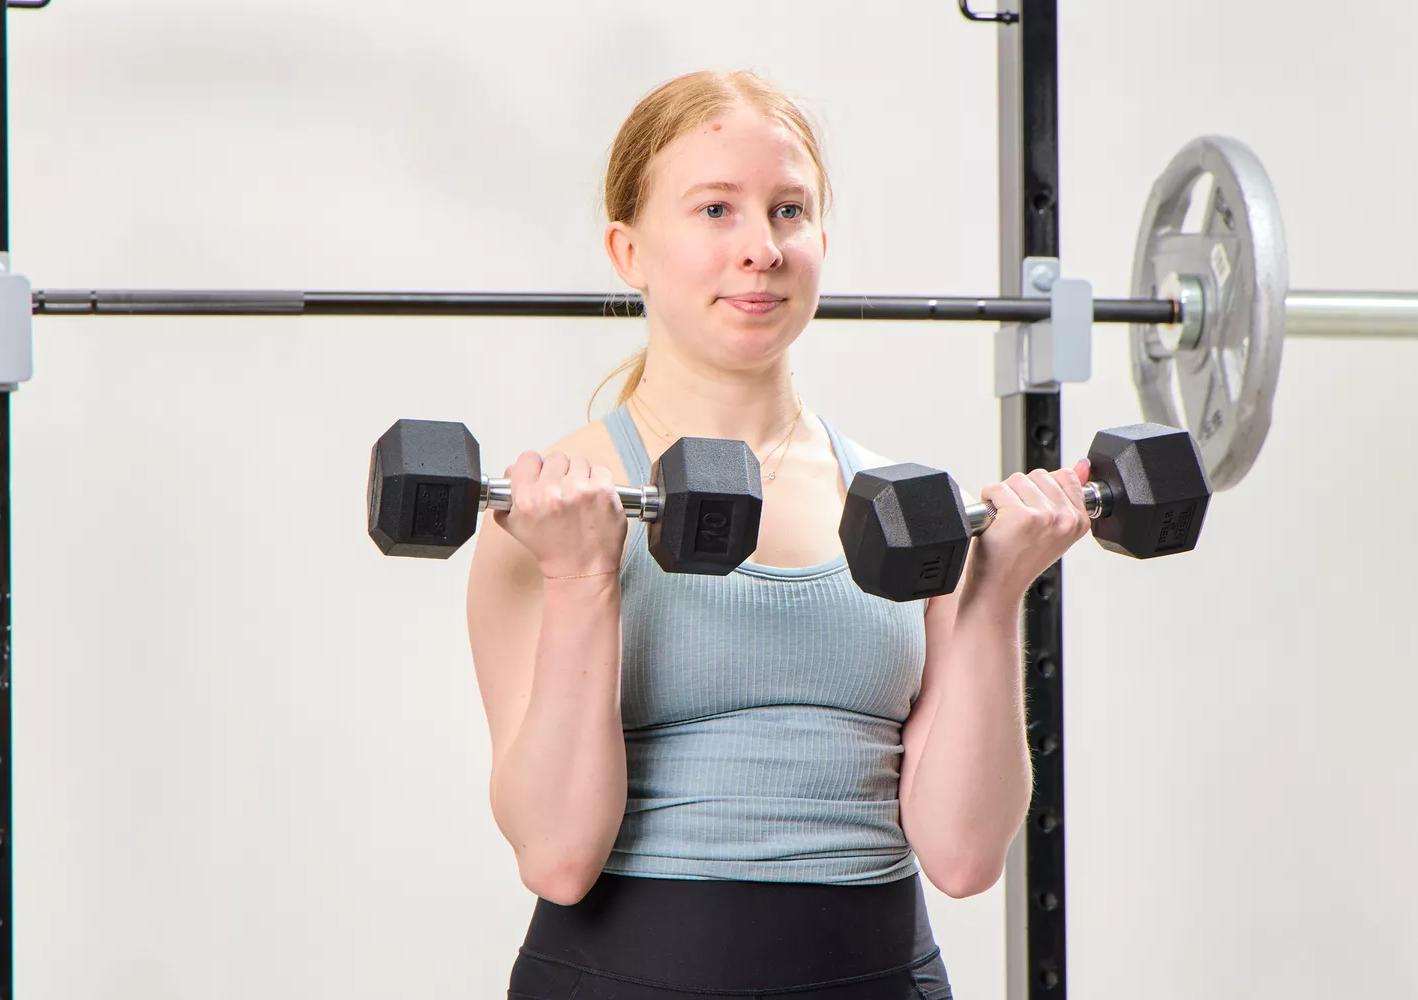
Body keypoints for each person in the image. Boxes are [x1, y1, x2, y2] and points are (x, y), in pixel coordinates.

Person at [466, 70, 1093, 1000]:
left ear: (821, 242)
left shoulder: (906, 510)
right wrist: (581, 583)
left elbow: (963, 858)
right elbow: (557, 857)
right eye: (715, 209)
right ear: (627, 249)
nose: (760, 248)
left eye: (788, 211)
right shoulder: (552, 511)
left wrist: (996, 592)